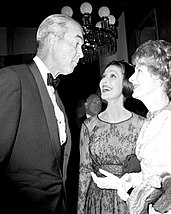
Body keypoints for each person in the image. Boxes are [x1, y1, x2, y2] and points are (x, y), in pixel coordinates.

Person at [91, 40, 171, 214]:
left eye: (139, 70)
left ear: (160, 77)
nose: (131, 78)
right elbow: (154, 175)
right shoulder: (151, 119)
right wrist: (127, 180)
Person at [0, 14, 84, 214]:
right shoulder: (13, 78)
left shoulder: (58, 97)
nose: (81, 54)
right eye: (77, 44)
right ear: (53, 40)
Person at [77, 60, 145, 214]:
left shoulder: (142, 124)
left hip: (129, 200)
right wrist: (80, 210)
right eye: (103, 76)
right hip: (96, 201)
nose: (104, 81)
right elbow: (84, 171)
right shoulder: (89, 125)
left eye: (112, 76)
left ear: (126, 83)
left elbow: (151, 171)